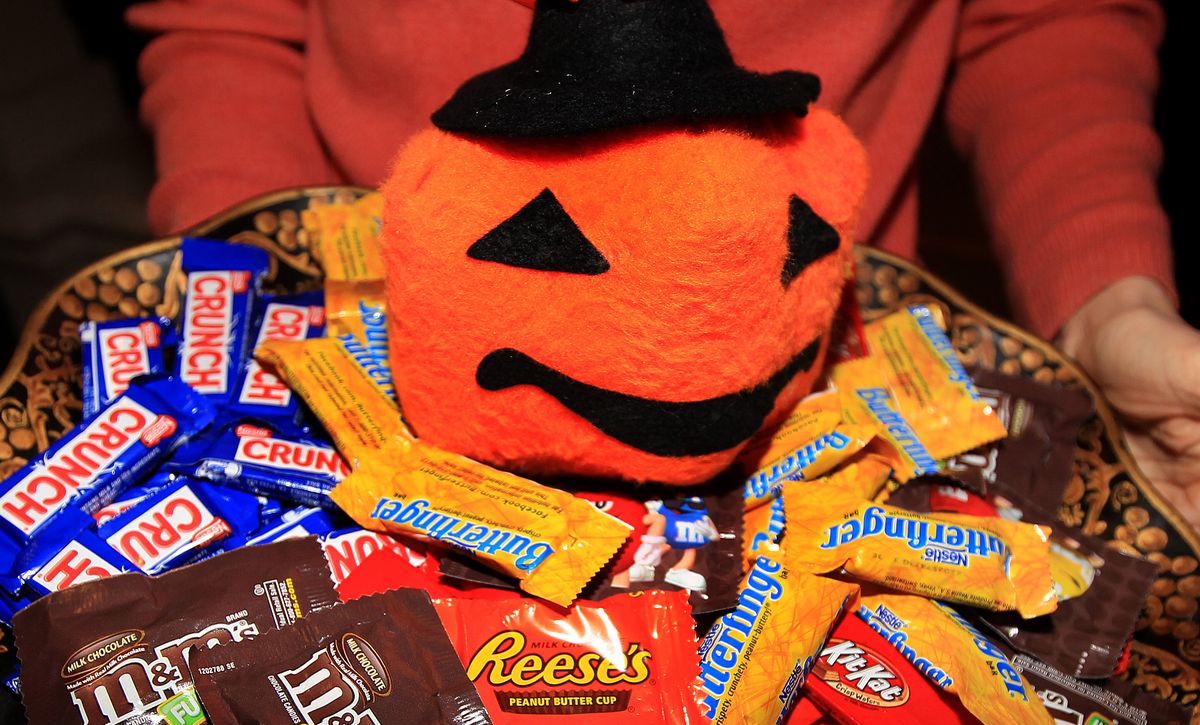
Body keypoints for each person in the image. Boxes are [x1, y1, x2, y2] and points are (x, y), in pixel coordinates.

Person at [125, 0, 1200, 527]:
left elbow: (1045, 19)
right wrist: (249, 289)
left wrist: (1108, 292)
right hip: (375, 343)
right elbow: (228, 26)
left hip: (827, 380)